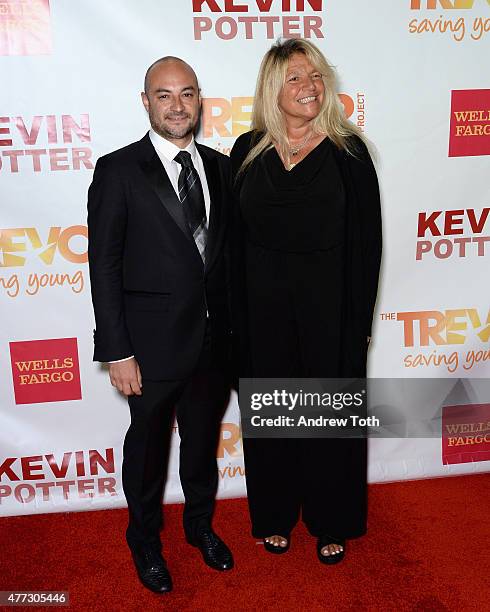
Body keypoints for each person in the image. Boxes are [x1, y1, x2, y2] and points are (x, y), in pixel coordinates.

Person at [230, 38, 382, 564]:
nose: (309, 87)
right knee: (272, 418)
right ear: (273, 87)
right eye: (295, 77)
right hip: (262, 312)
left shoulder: (350, 152)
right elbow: (233, 243)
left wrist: (358, 323)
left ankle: (331, 520)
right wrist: (234, 322)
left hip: (330, 312)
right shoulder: (247, 150)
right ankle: (273, 515)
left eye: (315, 76)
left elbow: (369, 244)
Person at [87, 56, 234, 594]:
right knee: (147, 454)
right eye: (165, 94)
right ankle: (145, 541)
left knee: (200, 448)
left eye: (188, 94)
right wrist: (117, 349)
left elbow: (226, 261)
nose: (178, 105)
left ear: (200, 100)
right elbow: (103, 264)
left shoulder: (221, 167)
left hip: (215, 345)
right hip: (148, 348)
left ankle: (200, 528)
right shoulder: (118, 169)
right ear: (145, 102)